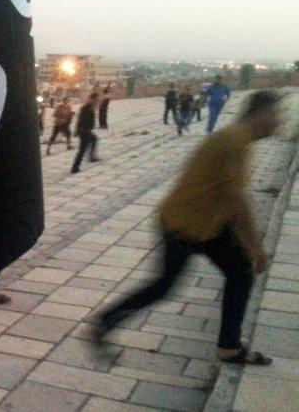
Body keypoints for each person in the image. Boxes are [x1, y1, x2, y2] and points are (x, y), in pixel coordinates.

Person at [94, 91, 281, 366]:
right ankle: (105, 320)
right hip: (183, 225)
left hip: (205, 224)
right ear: (260, 114)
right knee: (165, 286)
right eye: (276, 114)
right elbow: (237, 201)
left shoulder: (238, 139)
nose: (280, 121)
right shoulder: (235, 141)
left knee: (238, 273)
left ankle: (229, 346)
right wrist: (257, 249)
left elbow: (229, 198)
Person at [70, 93, 100, 174]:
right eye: (96, 99)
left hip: (86, 130)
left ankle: (91, 157)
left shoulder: (90, 107)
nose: (97, 101)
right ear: (92, 99)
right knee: (82, 150)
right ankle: (74, 168)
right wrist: (77, 130)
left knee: (94, 139)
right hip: (84, 131)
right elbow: (80, 119)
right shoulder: (87, 107)